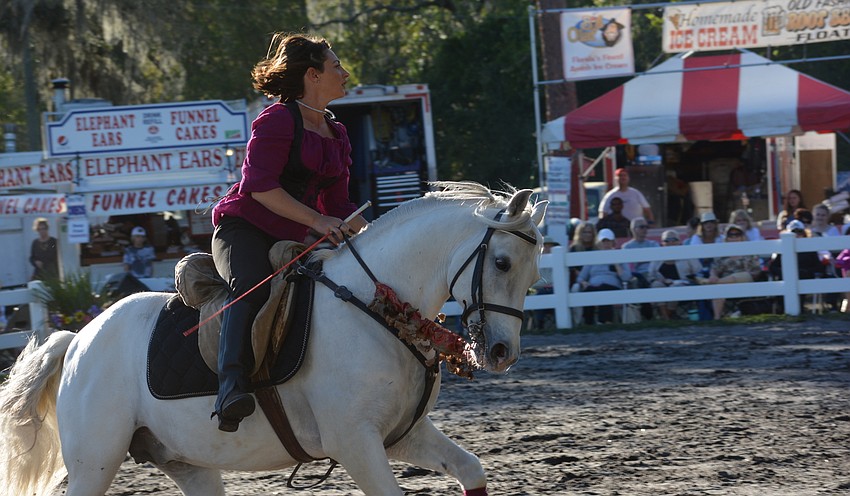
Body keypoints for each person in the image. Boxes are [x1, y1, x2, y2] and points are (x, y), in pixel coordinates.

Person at [209, 33, 368, 432]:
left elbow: (339, 207)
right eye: (336, 66)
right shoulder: (276, 119)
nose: (345, 73)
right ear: (313, 75)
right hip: (244, 227)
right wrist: (317, 222)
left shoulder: (338, 133)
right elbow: (259, 188)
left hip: (297, 234)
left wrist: (380, 238)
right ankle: (230, 388)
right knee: (251, 287)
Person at [697, 224, 762, 319]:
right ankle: (717, 318)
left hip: (746, 280)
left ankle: (708, 282)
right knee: (718, 289)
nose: (734, 237)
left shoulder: (750, 251)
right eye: (731, 235)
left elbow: (756, 271)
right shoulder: (722, 253)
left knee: (739, 276)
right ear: (726, 238)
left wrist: (715, 280)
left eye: (737, 234)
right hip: (726, 282)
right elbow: (715, 268)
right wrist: (713, 275)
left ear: (742, 237)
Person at [573, 228, 632, 324]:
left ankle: (605, 321)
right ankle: (589, 323)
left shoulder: (619, 255)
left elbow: (626, 277)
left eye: (608, 241)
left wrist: (616, 264)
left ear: (613, 242)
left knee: (605, 289)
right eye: (603, 241)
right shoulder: (593, 257)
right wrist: (583, 282)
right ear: (599, 243)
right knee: (589, 291)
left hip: (612, 286)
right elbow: (581, 277)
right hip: (594, 285)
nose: (606, 244)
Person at [648, 230, 702, 319]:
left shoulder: (688, 254)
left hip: (683, 285)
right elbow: (650, 276)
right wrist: (662, 280)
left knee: (675, 288)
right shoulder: (656, 257)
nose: (671, 242)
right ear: (662, 243)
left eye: (674, 239)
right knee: (656, 285)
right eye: (667, 240)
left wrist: (690, 280)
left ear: (680, 242)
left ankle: (668, 315)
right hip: (663, 284)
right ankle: (666, 317)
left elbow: (698, 272)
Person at [621, 217, 659, 320]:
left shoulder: (653, 244)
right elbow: (629, 266)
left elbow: (658, 261)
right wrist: (646, 259)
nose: (645, 230)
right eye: (642, 227)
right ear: (633, 229)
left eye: (646, 227)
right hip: (637, 275)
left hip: (653, 273)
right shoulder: (626, 247)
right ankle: (646, 316)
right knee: (638, 282)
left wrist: (639, 260)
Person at [569, 221, 597, 285]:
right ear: (580, 234)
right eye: (584, 232)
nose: (587, 235)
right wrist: (583, 279)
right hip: (579, 280)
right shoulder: (574, 248)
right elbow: (572, 269)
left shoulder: (597, 248)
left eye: (589, 232)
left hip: (594, 277)